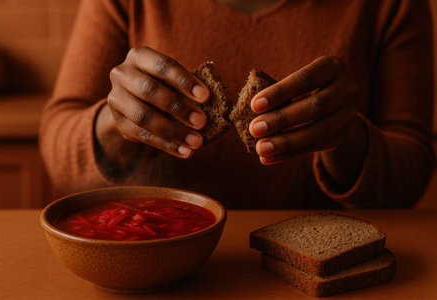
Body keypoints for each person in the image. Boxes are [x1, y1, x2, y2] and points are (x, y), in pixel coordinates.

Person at [39, 0, 435, 209]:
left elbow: (413, 173)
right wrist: (116, 124)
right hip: (161, 270)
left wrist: (347, 139)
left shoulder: (389, 4)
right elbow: (57, 148)